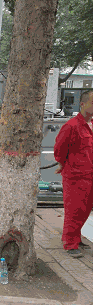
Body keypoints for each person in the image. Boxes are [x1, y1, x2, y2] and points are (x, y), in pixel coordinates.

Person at [54, 90, 93, 258]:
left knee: (85, 210)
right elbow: (59, 150)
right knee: (74, 210)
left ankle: (76, 237)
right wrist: (63, 163)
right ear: (82, 104)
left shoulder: (91, 126)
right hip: (76, 176)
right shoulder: (71, 126)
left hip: (90, 175)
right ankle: (70, 243)